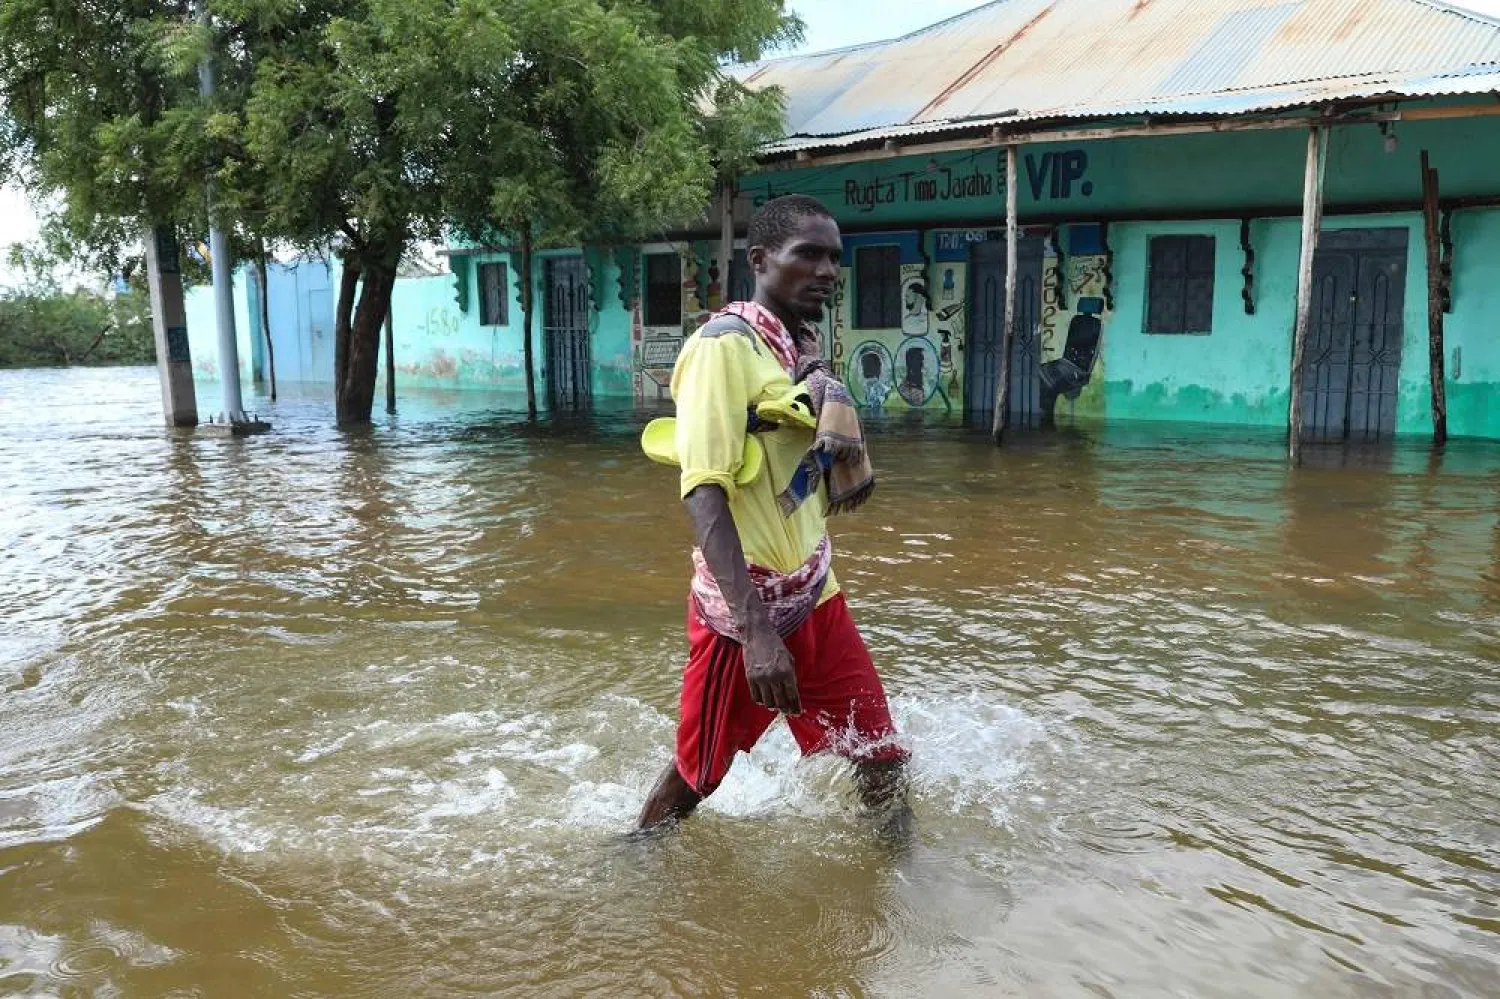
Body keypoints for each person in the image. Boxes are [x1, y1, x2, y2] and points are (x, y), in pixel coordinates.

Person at [635, 195, 912, 836]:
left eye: (834, 258)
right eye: (807, 254)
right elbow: (703, 491)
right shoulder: (721, 350)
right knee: (698, 774)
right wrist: (758, 635)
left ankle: (905, 889)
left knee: (879, 754)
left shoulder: (799, 351)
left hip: (816, 594)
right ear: (760, 260)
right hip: (745, 614)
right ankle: (632, 865)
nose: (826, 270)